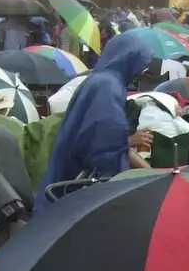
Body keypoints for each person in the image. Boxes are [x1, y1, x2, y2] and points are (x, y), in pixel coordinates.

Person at [35, 31, 153, 206]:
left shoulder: (101, 80)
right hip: (82, 188)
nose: (140, 71)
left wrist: (150, 172)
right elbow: (104, 149)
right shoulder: (108, 87)